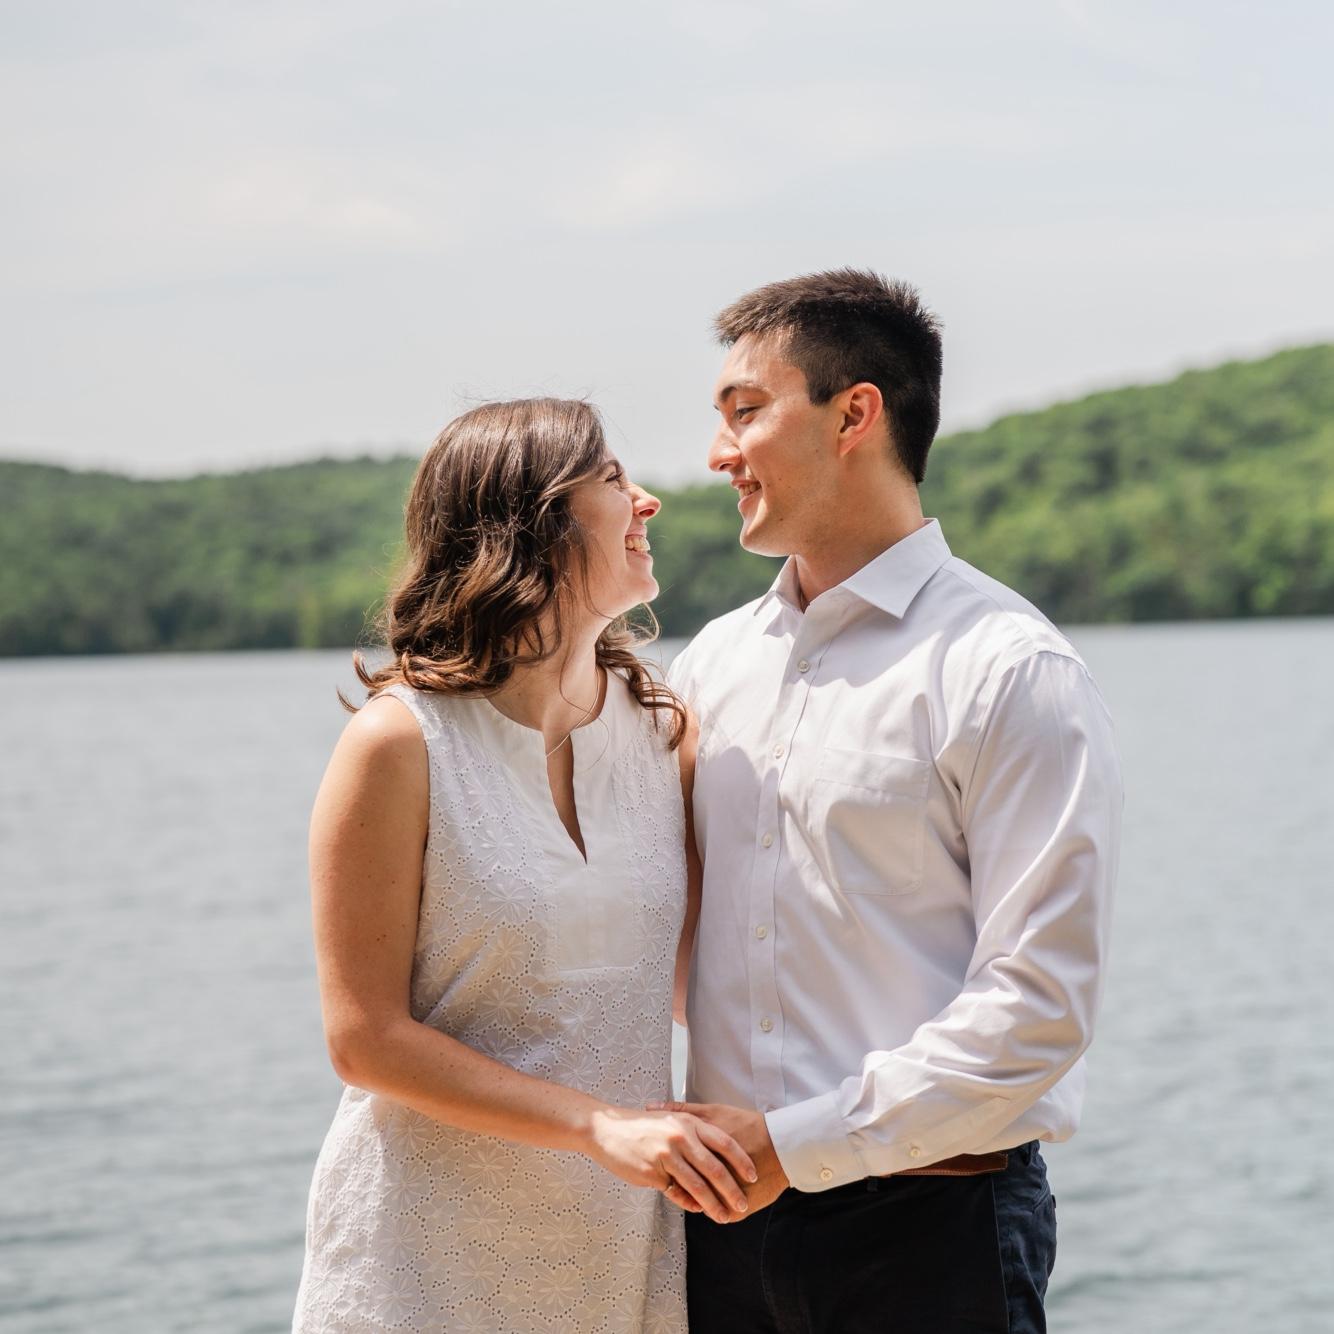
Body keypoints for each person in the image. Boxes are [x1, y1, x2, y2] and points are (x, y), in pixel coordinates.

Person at [660, 269, 1123, 1333]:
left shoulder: (1010, 670)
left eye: (745, 411)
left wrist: (795, 1146)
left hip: (933, 1231)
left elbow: (1039, 1011)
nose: (718, 452)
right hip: (718, 1230)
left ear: (854, 413)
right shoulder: (710, 666)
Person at [291, 398, 755, 1334]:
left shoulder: (664, 733)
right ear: (535, 525)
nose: (650, 500)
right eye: (614, 479)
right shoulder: (399, 743)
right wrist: (597, 1126)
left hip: (616, 1254)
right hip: (420, 1261)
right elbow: (364, 1039)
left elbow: (700, 982)